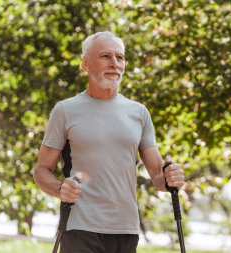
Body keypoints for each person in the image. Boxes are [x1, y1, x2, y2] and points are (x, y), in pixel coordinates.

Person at [33, 31, 185, 253]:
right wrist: (60, 189)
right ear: (86, 64)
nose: (114, 63)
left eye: (120, 57)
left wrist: (172, 178)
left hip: (125, 230)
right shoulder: (65, 110)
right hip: (79, 228)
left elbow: (157, 176)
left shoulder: (139, 113)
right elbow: (41, 170)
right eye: (105, 56)